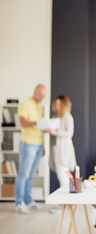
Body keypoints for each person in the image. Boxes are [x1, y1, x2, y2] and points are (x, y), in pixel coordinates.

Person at [15, 84, 47, 213]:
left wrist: (43, 145)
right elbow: (22, 122)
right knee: (23, 173)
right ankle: (19, 202)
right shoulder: (25, 104)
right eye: (40, 95)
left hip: (38, 143)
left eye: (43, 96)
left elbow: (41, 128)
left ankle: (28, 200)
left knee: (31, 174)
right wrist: (36, 122)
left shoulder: (40, 106)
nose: (41, 98)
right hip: (28, 143)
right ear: (35, 92)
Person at [47, 95, 77, 213]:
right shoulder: (55, 117)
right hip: (55, 150)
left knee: (64, 178)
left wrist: (55, 132)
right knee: (62, 177)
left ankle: (64, 205)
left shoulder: (67, 117)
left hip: (63, 151)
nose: (57, 106)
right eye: (56, 104)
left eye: (60, 104)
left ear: (65, 105)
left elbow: (69, 133)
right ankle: (65, 204)